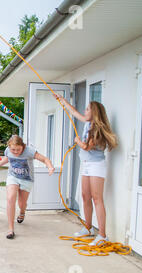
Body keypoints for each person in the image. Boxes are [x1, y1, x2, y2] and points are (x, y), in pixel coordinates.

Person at [54, 94, 118, 246]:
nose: (85, 111)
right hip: (87, 164)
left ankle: (102, 235)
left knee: (97, 198)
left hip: (96, 165)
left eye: (88, 109)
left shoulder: (96, 128)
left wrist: (77, 140)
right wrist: (62, 101)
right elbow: (75, 113)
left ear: (94, 112)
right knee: (85, 196)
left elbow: (86, 147)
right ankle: (88, 228)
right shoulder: (88, 123)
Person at [0, 135, 54, 239]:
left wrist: (50, 167)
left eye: (18, 149)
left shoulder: (29, 151)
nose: (15, 152)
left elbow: (45, 159)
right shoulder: (8, 150)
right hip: (12, 177)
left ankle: (22, 211)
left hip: (27, 179)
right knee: (10, 198)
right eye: (13, 149)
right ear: (9, 147)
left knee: (21, 203)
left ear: (23, 146)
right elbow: (7, 158)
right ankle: (10, 229)